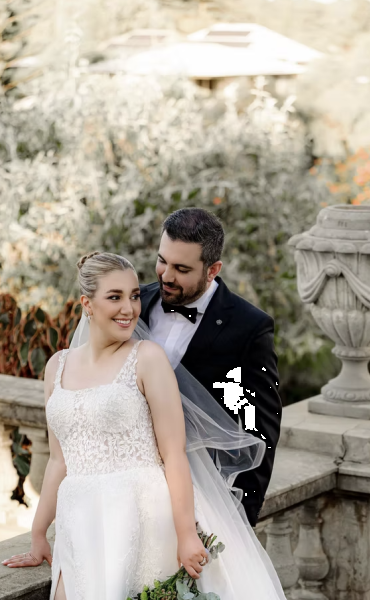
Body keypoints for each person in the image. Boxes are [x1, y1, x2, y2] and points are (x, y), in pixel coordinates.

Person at [1, 252, 286, 600]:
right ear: (87, 304)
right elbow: (59, 461)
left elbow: (174, 454)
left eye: (135, 296)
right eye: (115, 297)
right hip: (80, 519)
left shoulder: (147, 357)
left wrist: (186, 535)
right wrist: (38, 533)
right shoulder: (56, 366)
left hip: (143, 515)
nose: (129, 308)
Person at [139, 208, 282, 527]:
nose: (166, 276)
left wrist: (241, 519)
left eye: (182, 269)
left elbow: (263, 430)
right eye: (162, 260)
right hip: (132, 488)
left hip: (201, 496)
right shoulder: (134, 303)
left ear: (212, 269)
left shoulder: (250, 328)